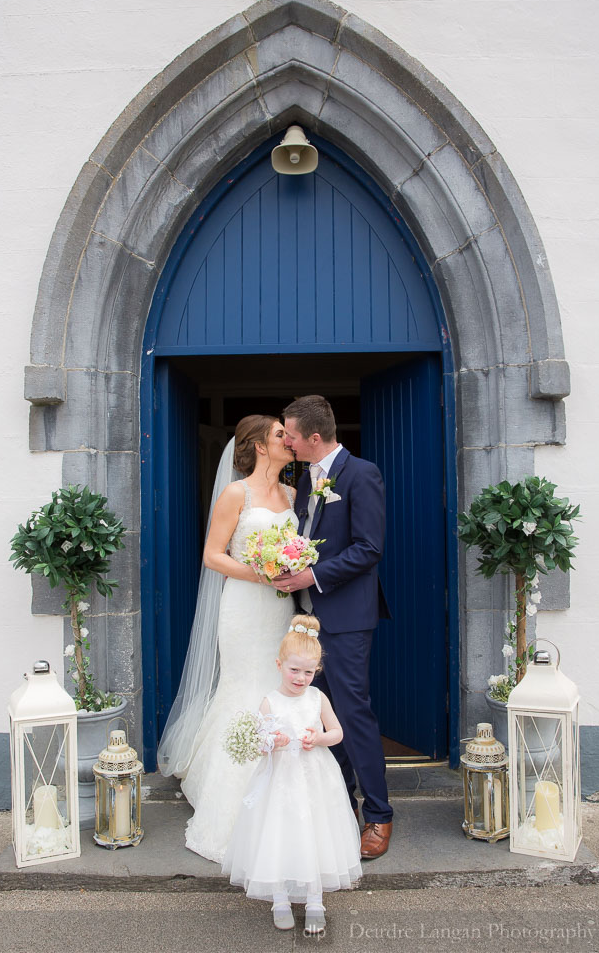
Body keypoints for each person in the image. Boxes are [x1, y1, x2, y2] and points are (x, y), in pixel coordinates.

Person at [157, 415, 297, 863]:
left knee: (276, 690)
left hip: (280, 607)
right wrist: (261, 573)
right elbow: (213, 556)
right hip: (242, 607)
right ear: (258, 446)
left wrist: (289, 571)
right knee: (244, 688)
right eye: (280, 435)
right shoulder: (236, 493)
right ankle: (229, 804)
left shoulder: (292, 494)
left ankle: (281, 799)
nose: (288, 440)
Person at [272, 395, 393, 860]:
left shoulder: (362, 474)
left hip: (345, 618)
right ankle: (341, 806)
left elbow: (368, 548)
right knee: (317, 715)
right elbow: (304, 539)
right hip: (306, 619)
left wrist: (312, 575)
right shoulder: (304, 480)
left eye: (292, 435)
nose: (288, 441)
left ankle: (378, 816)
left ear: (315, 438)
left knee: (352, 715)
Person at [222, 615, 361, 936]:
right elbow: (257, 742)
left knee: (315, 832)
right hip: (281, 780)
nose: (300, 678)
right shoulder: (270, 702)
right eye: (294, 669)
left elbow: (337, 732)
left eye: (308, 672)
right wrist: (273, 741)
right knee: (280, 833)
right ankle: (280, 899)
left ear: (317, 671)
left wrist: (319, 738)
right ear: (278, 664)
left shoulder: (318, 698)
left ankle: (315, 901)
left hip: (316, 777)